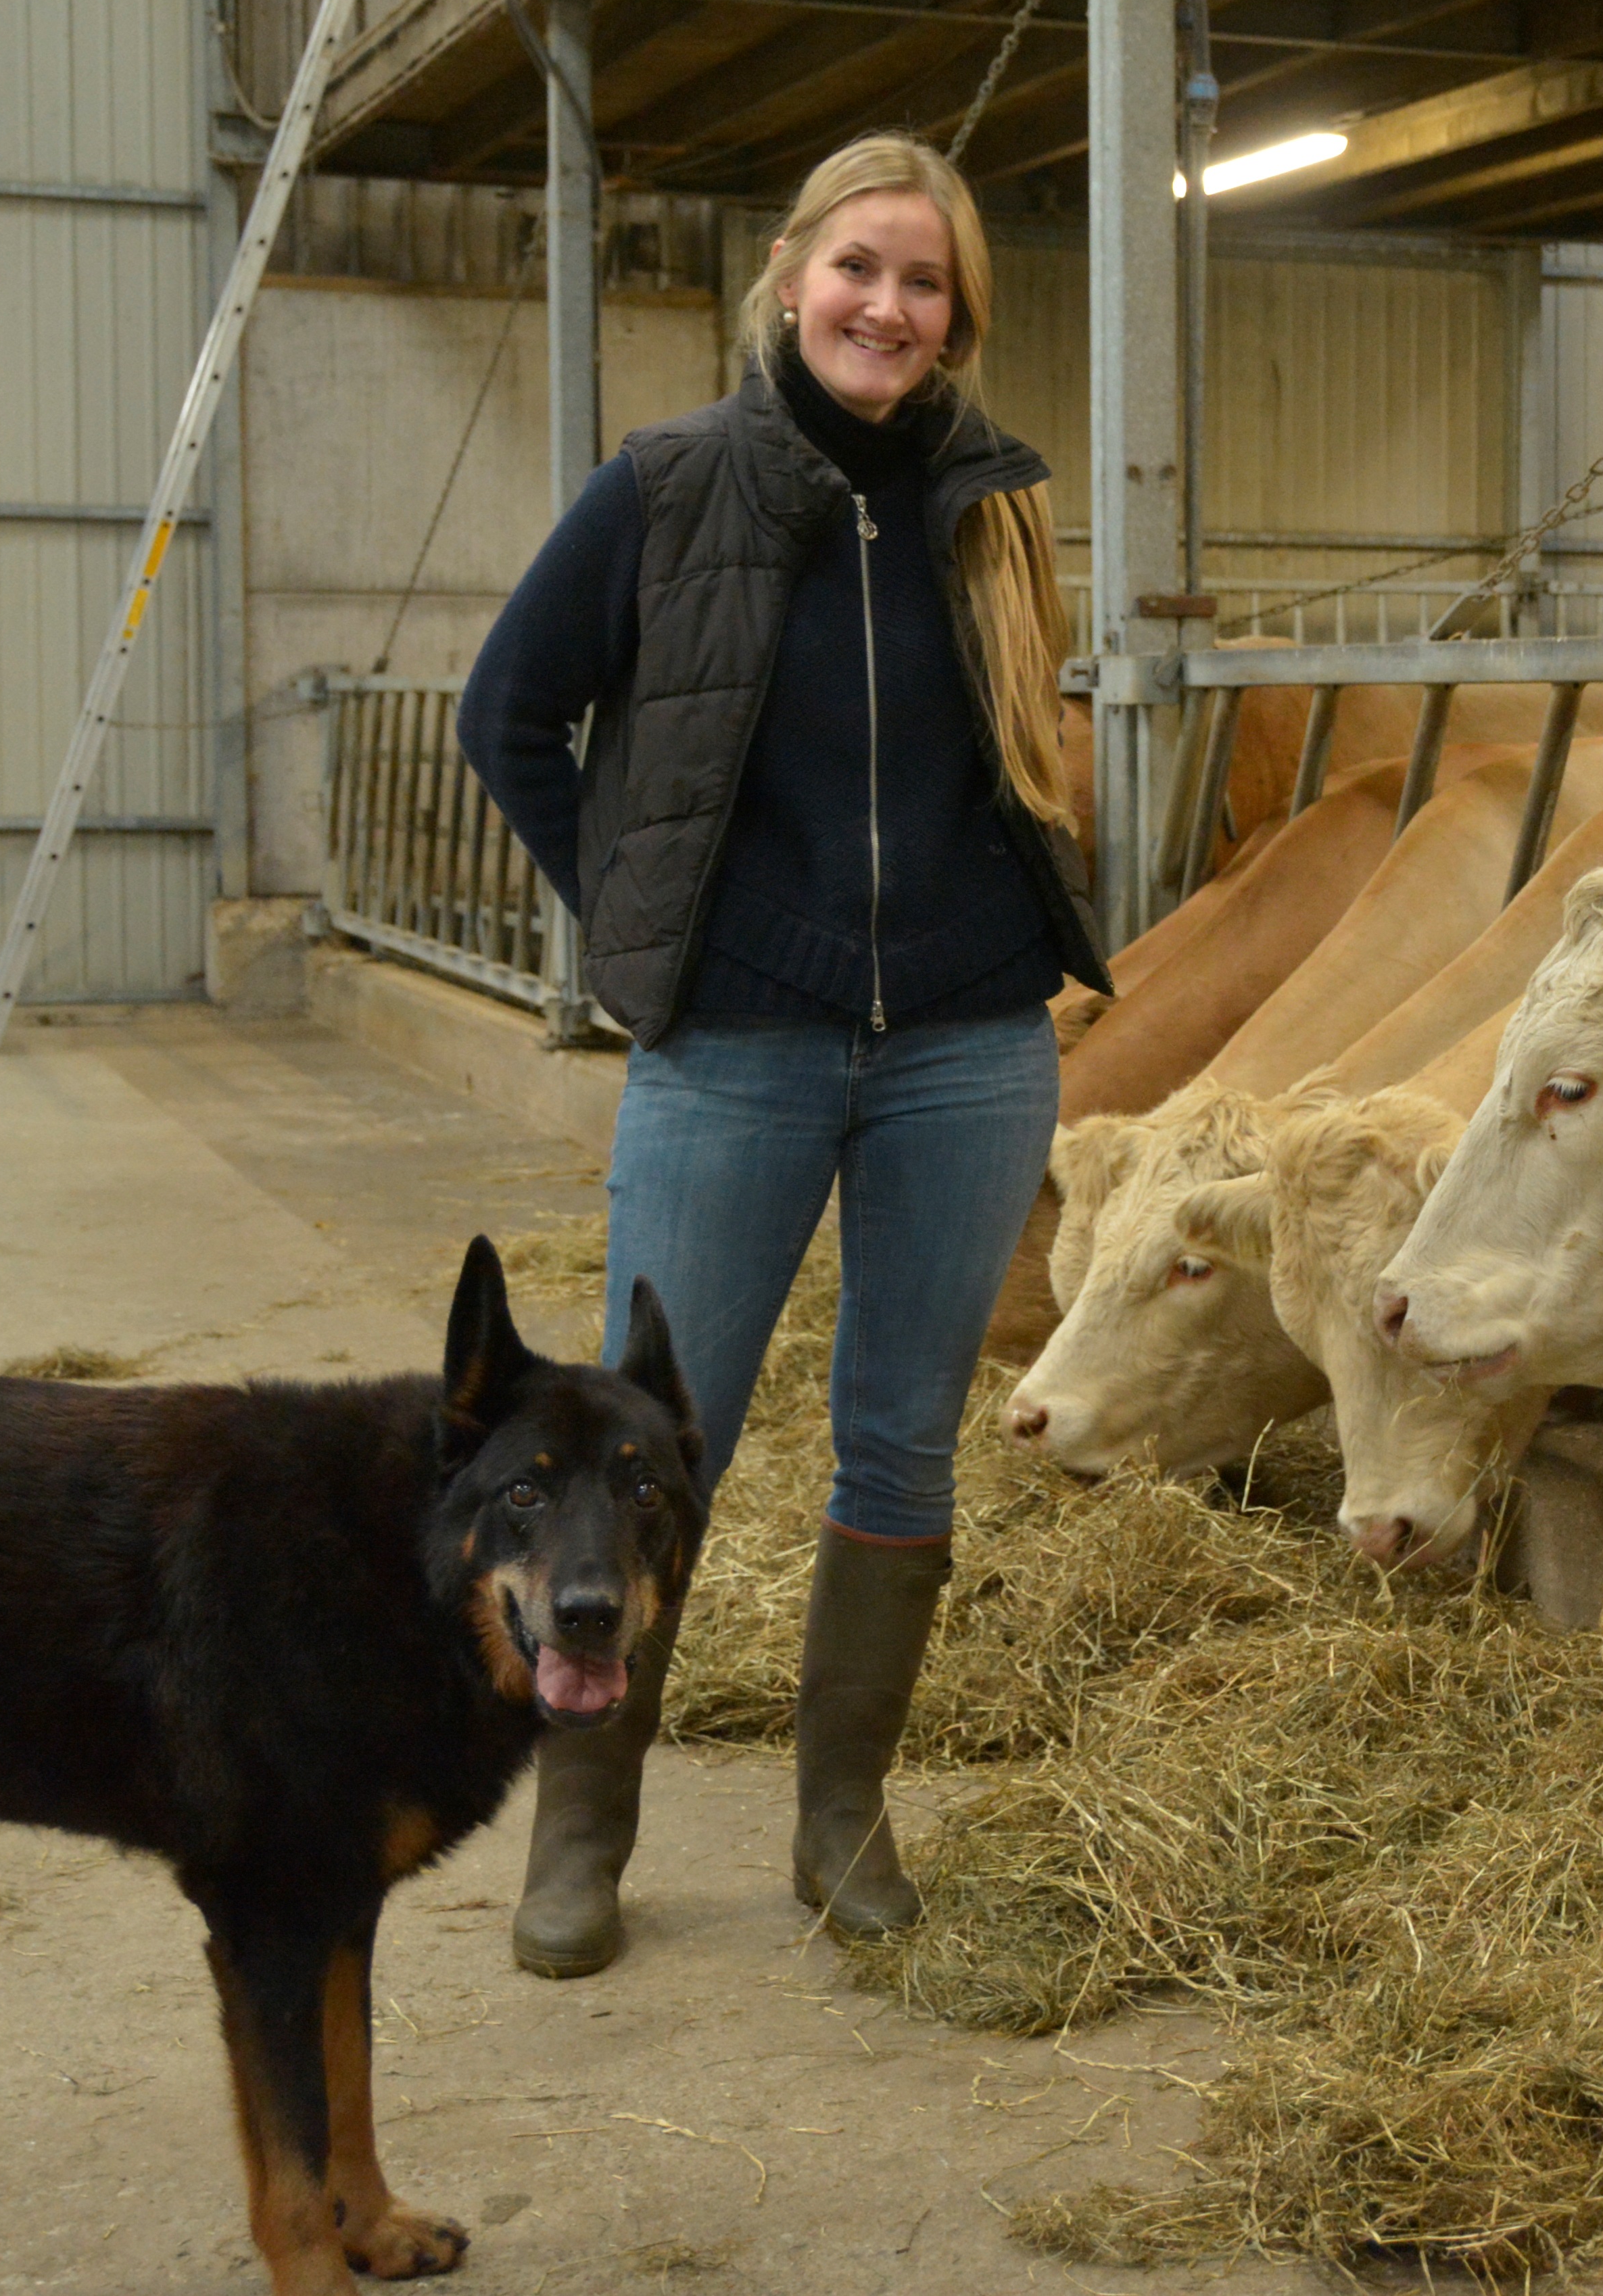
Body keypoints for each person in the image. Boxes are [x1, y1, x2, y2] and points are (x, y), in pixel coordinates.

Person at [458, 133, 1107, 1975]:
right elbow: (511, 711)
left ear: (956, 317)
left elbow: (1016, 741)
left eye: (925, 285)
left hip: (969, 1046)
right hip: (736, 1045)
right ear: (791, 277)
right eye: (861, 270)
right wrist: (643, 913)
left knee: (901, 1443)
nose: (886, 309)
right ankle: (580, 1840)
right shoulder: (670, 486)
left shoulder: (997, 509)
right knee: (651, 1449)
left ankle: (843, 1827)